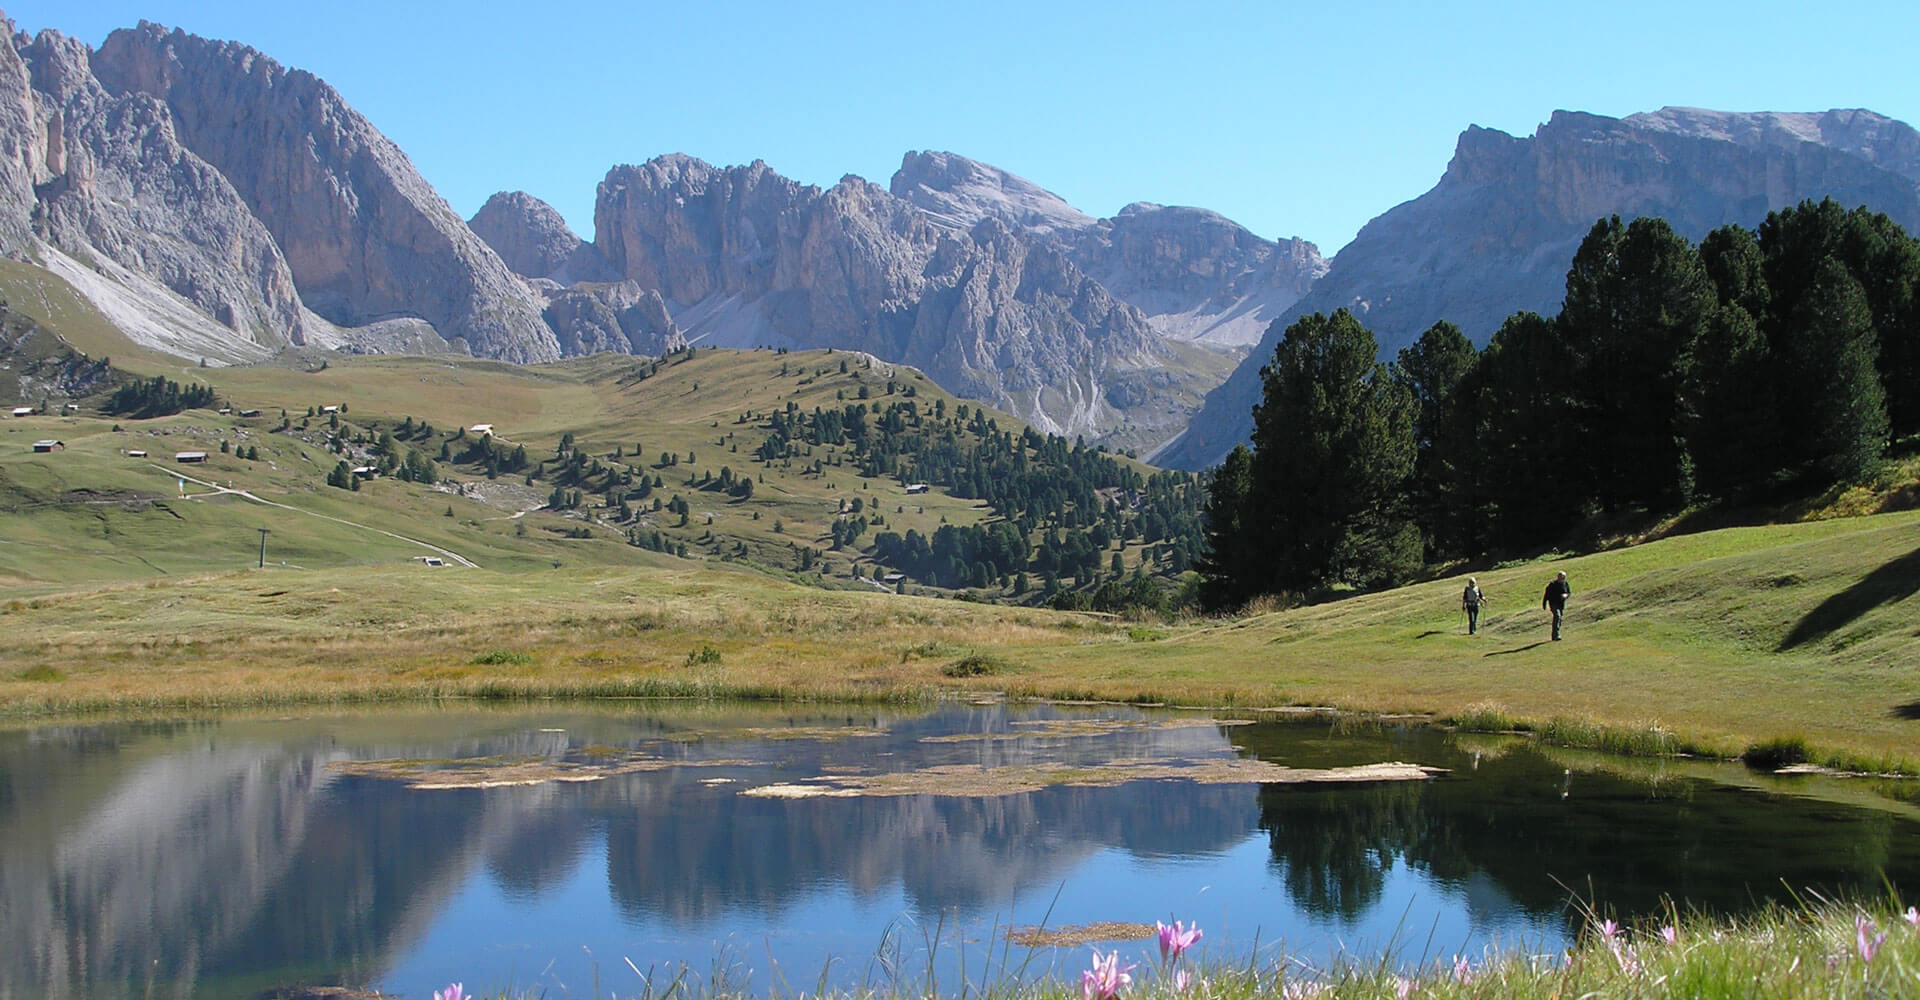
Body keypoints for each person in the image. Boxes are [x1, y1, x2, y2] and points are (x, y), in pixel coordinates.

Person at [1541, 571, 1571, 640]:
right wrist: (1544, 604)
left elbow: (1568, 592)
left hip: (1561, 604)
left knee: (1559, 619)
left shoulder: (1565, 583)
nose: (1562, 578)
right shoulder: (1552, 584)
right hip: (1553, 603)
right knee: (1557, 616)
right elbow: (1546, 594)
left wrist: (1566, 595)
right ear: (1558, 577)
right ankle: (1556, 634)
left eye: (1563, 577)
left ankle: (1554, 635)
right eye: (1561, 577)